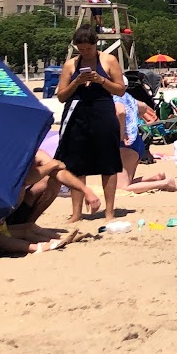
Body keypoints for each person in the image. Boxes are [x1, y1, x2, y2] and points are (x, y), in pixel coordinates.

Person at [55, 23, 128, 223]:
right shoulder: (71, 65)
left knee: (108, 162)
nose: (85, 52)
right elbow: (61, 96)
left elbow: (120, 90)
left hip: (103, 111)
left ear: (96, 45)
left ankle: (109, 211)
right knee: (76, 164)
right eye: (81, 49)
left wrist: (101, 80)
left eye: (88, 48)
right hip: (77, 113)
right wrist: (76, 82)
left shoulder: (109, 60)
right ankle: (77, 212)